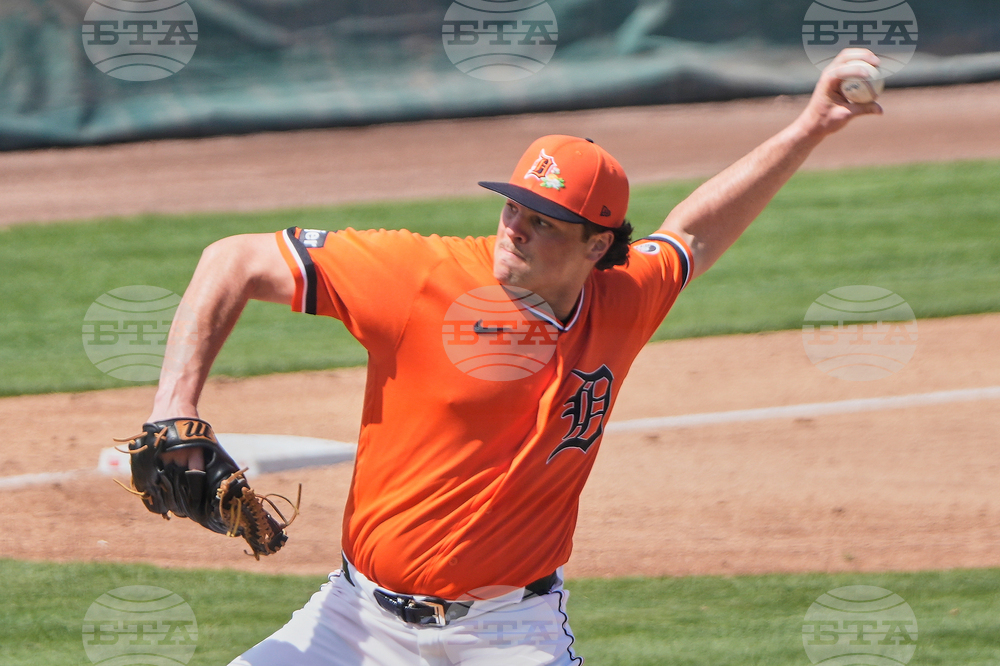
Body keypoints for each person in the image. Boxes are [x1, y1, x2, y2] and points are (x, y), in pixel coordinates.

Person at [148, 49, 883, 665]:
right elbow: (231, 260)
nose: (516, 229)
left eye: (545, 221)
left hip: (510, 633)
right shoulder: (418, 277)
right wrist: (175, 409)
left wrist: (811, 125)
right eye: (513, 207)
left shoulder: (624, 297)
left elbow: (692, 234)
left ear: (598, 245)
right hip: (356, 623)